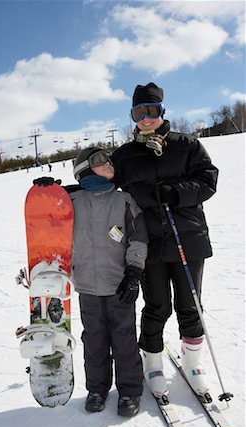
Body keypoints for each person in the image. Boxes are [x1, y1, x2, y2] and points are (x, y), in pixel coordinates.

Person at [112, 82, 219, 400]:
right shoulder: (124, 155)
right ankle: (154, 363)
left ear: (162, 111)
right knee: (157, 305)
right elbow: (105, 184)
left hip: (187, 238)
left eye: (152, 110)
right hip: (149, 242)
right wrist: (77, 189)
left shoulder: (187, 145)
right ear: (133, 116)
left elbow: (208, 180)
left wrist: (177, 193)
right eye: (139, 112)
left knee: (190, 305)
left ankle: (194, 364)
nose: (146, 118)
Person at [34, 147, 149, 417]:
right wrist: (46, 193)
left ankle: (130, 390)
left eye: (108, 159)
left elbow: (138, 238)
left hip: (119, 284)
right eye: (99, 161)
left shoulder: (123, 201)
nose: (108, 163)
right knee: (94, 340)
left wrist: (133, 272)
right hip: (86, 286)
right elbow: (46, 220)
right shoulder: (71, 202)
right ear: (83, 169)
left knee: (124, 339)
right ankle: (97, 388)